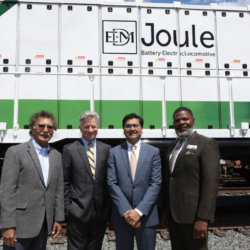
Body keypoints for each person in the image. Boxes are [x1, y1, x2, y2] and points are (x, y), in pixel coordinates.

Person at [0, 110, 64, 250]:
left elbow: (59, 189)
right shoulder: (16, 152)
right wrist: (8, 225)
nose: (45, 130)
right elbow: (7, 191)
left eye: (50, 127)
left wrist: (58, 218)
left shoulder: (56, 155)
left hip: (43, 227)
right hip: (19, 227)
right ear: (32, 128)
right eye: (41, 126)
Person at [162, 107, 220, 250]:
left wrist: (203, 218)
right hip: (173, 217)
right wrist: (165, 210)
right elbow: (169, 179)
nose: (182, 122)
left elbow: (210, 183)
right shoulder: (171, 147)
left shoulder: (206, 143)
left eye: (185, 119)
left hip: (193, 217)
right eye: (177, 120)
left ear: (193, 121)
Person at [107, 113, 162, 250]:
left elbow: (155, 183)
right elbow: (112, 183)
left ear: (141, 129)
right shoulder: (114, 152)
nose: (132, 128)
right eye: (128, 126)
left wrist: (138, 211)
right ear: (123, 129)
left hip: (146, 216)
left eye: (135, 125)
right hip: (122, 216)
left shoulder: (153, 152)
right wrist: (127, 212)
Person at [63, 111, 111, 250]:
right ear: (80, 128)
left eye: (94, 126)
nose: (90, 130)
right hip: (77, 210)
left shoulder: (106, 149)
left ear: (98, 127)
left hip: (100, 211)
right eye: (86, 127)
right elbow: (64, 180)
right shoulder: (70, 149)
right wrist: (68, 207)